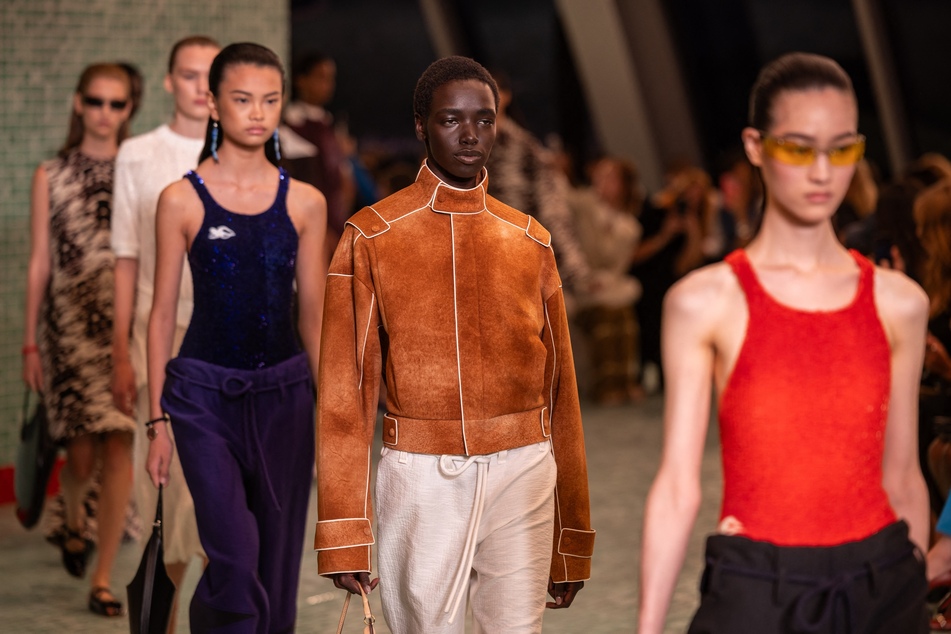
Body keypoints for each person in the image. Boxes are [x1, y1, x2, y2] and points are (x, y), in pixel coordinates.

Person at [638, 52, 930, 633]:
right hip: (756, 587)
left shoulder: (900, 303)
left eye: (841, 148)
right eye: (799, 147)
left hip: (884, 583)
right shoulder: (705, 300)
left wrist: (915, 592)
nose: (822, 171)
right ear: (755, 146)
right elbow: (677, 484)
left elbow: (902, 477)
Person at [314, 55, 594, 634]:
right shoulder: (373, 235)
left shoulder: (528, 239)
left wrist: (573, 534)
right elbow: (347, 392)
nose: (470, 135)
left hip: (526, 468)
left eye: (484, 120)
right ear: (421, 126)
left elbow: (560, 392)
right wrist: (344, 529)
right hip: (420, 474)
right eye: (450, 120)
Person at [145, 42, 327, 633]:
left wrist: (335, 416)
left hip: (286, 397)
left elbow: (315, 315)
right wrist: (157, 422)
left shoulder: (305, 202)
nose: (258, 112)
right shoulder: (180, 199)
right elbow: (161, 313)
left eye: (270, 100)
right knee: (234, 553)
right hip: (200, 397)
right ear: (214, 105)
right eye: (243, 99)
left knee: (276, 565)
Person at [110, 35, 219, 631]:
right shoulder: (139, 153)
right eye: (189, 74)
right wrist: (121, 353)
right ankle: (163, 623)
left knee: (222, 508)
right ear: (169, 81)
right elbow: (126, 256)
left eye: (211, 73)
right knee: (171, 500)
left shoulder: (246, 151)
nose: (201, 85)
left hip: (228, 345)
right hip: (161, 338)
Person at [22, 62, 136, 617]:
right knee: (82, 450)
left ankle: (104, 577)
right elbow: (40, 263)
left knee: (119, 441)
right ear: (78, 103)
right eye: (96, 101)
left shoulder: (139, 168)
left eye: (117, 104)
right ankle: (71, 517)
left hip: (124, 327)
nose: (105, 114)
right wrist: (28, 344)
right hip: (66, 329)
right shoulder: (52, 172)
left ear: (129, 109)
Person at [567, 156, 644, 405]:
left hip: (610, 285)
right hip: (579, 282)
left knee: (621, 314)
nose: (603, 181)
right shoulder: (583, 205)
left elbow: (616, 265)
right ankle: (605, 386)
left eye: (611, 176)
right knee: (608, 315)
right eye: (600, 175)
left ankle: (623, 382)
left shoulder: (628, 225)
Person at [281, 52, 352, 249]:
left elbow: (341, 175)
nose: (327, 85)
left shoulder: (327, 122)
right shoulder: (293, 123)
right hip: (314, 224)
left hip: (336, 219)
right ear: (301, 80)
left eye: (331, 79)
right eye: (320, 77)